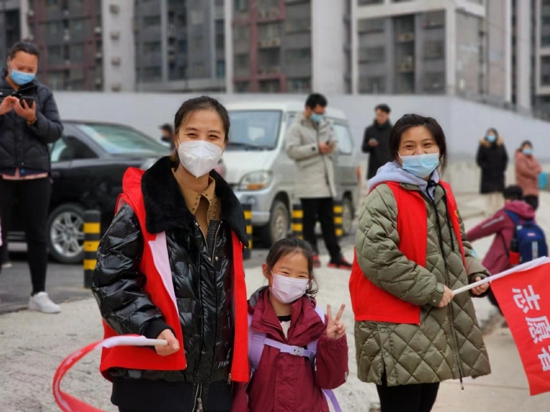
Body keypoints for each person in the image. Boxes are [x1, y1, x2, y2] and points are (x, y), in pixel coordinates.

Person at [91, 96, 250, 412]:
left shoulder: (229, 210)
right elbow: (109, 280)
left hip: (214, 383)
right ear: (176, 138)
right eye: (192, 134)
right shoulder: (141, 204)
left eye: (213, 136)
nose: (202, 144)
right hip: (152, 381)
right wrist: (152, 326)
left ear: (224, 144)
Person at [351, 114, 491, 412]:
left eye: (427, 145)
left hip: (433, 320)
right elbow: (377, 256)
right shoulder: (384, 194)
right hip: (395, 323)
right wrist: (430, 288)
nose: (419, 153)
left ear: (440, 149)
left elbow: (459, 243)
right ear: (396, 153)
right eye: (409, 147)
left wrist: (474, 271)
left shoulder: (442, 192)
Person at [231, 237, 348, 412]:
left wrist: (333, 343)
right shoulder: (247, 321)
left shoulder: (318, 322)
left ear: (309, 279)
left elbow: (331, 381)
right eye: (285, 273)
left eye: (301, 276)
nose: (292, 280)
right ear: (267, 271)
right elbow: (237, 390)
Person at [0, 41, 63, 313]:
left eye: (31, 69)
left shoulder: (43, 93)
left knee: (37, 235)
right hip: (2, 174)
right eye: (20, 67)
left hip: (35, 174)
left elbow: (56, 131)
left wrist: (33, 118)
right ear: (8, 61)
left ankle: (39, 294)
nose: (25, 72)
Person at [285, 93, 352, 269]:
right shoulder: (296, 127)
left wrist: (330, 146)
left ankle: (335, 256)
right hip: (308, 181)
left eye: (322, 113)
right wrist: (316, 148)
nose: (320, 116)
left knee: (329, 221)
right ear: (308, 109)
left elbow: (335, 143)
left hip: (325, 181)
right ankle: (311, 254)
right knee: (309, 221)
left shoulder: (326, 124)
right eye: (317, 112)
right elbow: (291, 151)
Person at [466, 185, 534, 314]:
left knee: (492, 290)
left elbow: (484, 228)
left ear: (507, 198)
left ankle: (512, 317)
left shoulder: (506, 214)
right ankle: (516, 315)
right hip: (522, 261)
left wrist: (464, 238)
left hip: (502, 262)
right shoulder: (528, 213)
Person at [476, 128, 509, 216]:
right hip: (487, 174)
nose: (491, 136)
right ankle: (489, 212)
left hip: (499, 174)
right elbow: (479, 160)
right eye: (489, 134)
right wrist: (486, 167)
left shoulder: (500, 145)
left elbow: (505, 158)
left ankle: (498, 212)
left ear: (496, 135)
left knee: (498, 195)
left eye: (492, 134)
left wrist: (502, 168)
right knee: (488, 195)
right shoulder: (483, 145)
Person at [362, 103, 393, 180]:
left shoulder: (392, 131)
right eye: (377, 115)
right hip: (374, 170)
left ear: (387, 115)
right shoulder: (370, 130)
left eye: (381, 115)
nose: (379, 117)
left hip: (388, 169)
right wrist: (369, 145)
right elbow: (364, 148)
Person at [515, 140, 542, 211]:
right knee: (527, 206)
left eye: (529, 147)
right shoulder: (520, 157)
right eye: (525, 147)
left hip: (534, 187)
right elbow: (523, 170)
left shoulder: (533, 158)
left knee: (535, 205)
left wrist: (534, 171)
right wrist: (534, 173)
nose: (527, 149)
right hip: (524, 187)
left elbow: (539, 168)